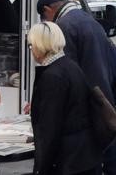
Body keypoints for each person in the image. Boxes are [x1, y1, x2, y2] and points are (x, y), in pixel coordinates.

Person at [37, 0, 116, 175]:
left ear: (48, 10)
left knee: (115, 164)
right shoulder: (85, 17)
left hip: (115, 101)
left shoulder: (65, 26)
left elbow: (74, 74)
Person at [28, 21, 101, 175]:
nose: (31, 50)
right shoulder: (70, 65)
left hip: (68, 160)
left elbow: (50, 128)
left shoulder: (52, 76)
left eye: (31, 45)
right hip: (84, 155)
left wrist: (41, 168)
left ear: (40, 46)